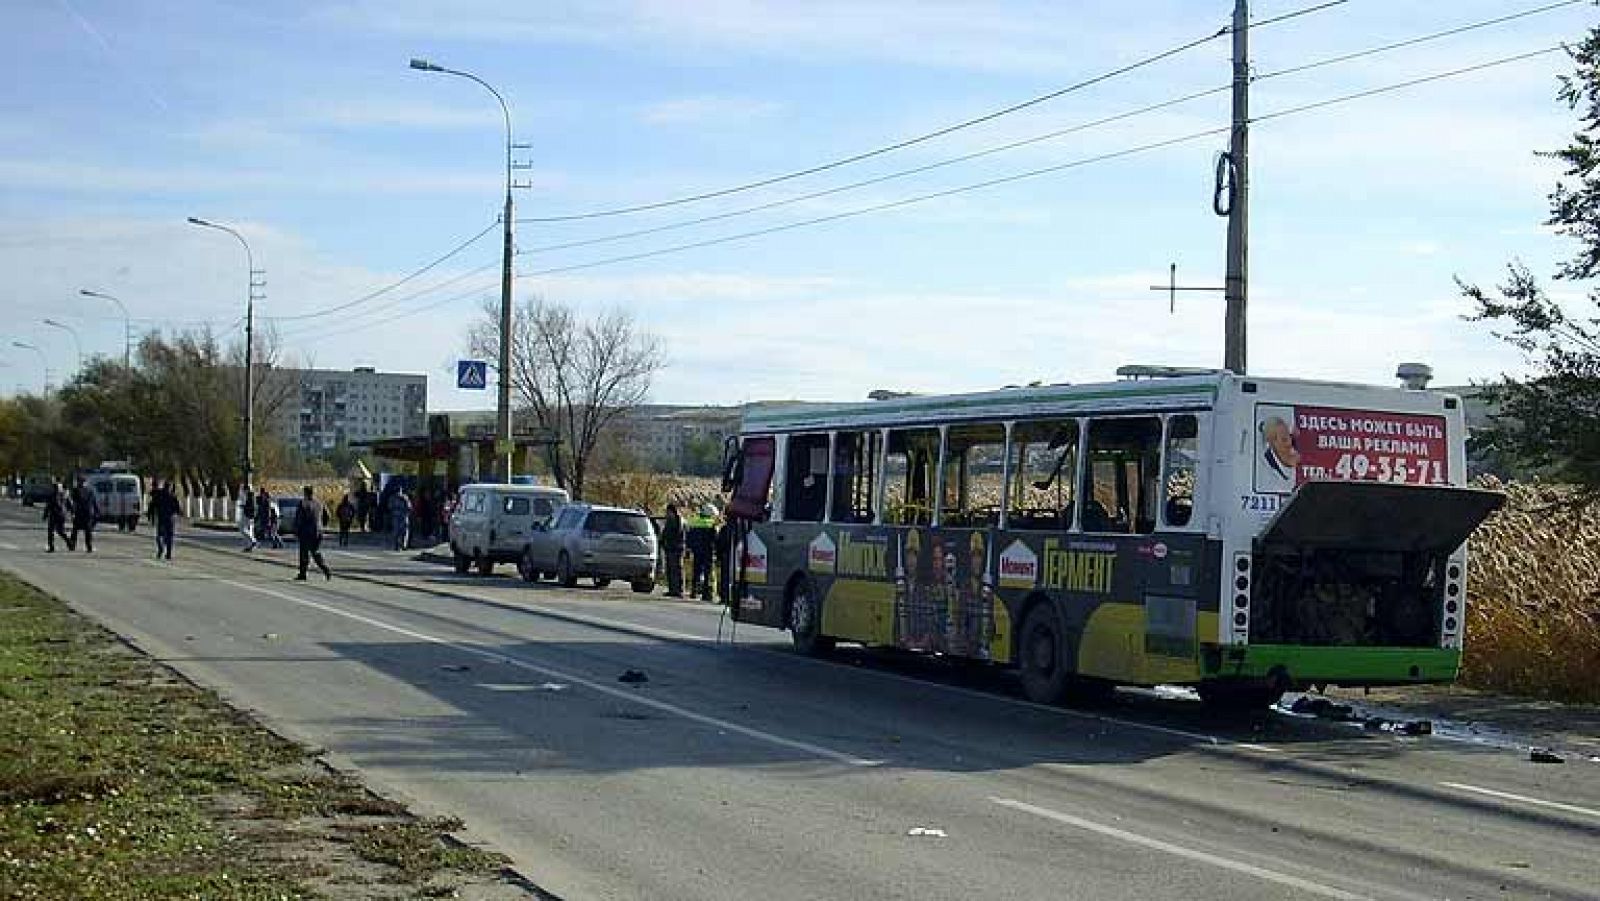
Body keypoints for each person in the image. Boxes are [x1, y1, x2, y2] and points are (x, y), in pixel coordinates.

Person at [290, 485, 332, 581]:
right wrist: (322, 525)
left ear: (305, 493)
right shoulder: (319, 503)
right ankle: (325, 569)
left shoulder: (303, 503)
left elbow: (299, 518)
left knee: (304, 553)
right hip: (318, 531)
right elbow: (327, 515)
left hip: (306, 531)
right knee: (315, 552)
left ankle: (303, 573)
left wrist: (296, 530)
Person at [685, 503, 717, 601]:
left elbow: (689, 537)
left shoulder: (694, 522)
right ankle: (706, 594)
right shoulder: (711, 524)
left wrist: (689, 548)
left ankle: (693, 592)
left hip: (696, 551)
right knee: (707, 573)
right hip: (707, 551)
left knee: (696, 572)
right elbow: (715, 539)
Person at [147, 480, 182, 560]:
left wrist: (150, 516)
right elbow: (177, 509)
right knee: (169, 536)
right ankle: (168, 554)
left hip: (161, 518)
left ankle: (161, 548)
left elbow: (152, 506)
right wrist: (178, 513)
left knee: (160, 535)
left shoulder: (159, 495)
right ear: (169, 487)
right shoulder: (172, 496)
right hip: (170, 519)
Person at [68, 476, 99, 554]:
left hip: (79, 512)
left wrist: (72, 511)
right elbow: (94, 502)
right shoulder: (90, 490)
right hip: (87, 512)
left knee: (75, 530)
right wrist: (96, 511)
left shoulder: (76, 490)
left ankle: (72, 545)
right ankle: (89, 547)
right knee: (87, 531)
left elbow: (72, 502)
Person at [660, 503, 685, 598]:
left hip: (675, 548)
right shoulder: (673, 520)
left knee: (676, 569)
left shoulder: (676, 520)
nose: (667, 513)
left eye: (668, 511)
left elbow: (673, 534)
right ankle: (673, 589)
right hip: (671, 547)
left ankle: (678, 590)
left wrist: (665, 541)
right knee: (671, 569)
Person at [42, 479, 71, 552]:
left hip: (54, 515)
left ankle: (52, 547)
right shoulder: (64, 495)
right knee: (60, 531)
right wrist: (71, 512)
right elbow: (70, 505)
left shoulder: (52, 495)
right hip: (61, 515)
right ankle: (69, 543)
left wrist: (45, 515)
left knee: (51, 531)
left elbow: (48, 506)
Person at [714, 516, 734, 603]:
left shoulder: (725, 529)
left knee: (725, 577)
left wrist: (718, 556)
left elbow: (719, 543)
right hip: (734, 556)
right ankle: (730, 597)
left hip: (726, 555)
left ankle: (724, 597)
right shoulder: (738, 529)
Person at [240, 485, 258, 552]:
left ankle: (253, 541)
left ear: (247, 490)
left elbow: (251, 507)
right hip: (251, 515)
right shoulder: (251, 496)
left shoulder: (250, 496)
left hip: (248, 515)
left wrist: (244, 507)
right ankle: (250, 547)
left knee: (243, 529)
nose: (244, 491)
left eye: (244, 490)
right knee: (250, 530)